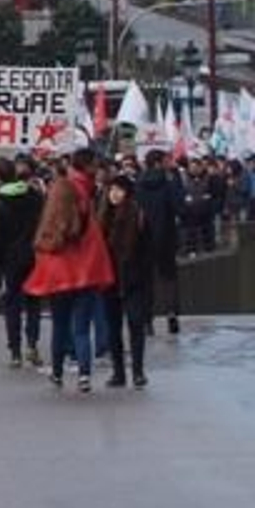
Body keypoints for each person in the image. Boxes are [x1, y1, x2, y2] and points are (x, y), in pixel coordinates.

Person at [25, 150, 115, 393]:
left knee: (60, 326)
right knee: (82, 328)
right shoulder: (85, 192)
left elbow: (51, 229)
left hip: (59, 270)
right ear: (87, 166)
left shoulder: (60, 189)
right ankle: (84, 375)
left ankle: (57, 373)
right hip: (84, 270)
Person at [0, 155, 44, 369]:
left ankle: (15, 351)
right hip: (33, 256)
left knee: (12, 305)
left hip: (11, 259)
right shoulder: (34, 195)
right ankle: (32, 344)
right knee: (33, 303)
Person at [99, 173, 151, 389]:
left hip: (132, 279)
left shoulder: (137, 214)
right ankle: (118, 372)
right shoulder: (102, 215)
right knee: (113, 328)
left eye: (119, 189)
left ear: (127, 192)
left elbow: (148, 249)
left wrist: (141, 275)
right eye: (111, 189)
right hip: (109, 280)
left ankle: (138, 371)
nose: (114, 193)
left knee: (135, 324)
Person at [135, 150, 182, 335]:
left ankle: (147, 320)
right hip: (167, 236)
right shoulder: (169, 183)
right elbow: (180, 207)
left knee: (146, 280)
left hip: (144, 238)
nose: (168, 163)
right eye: (166, 160)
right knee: (169, 278)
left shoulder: (138, 184)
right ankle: (171, 314)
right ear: (158, 163)